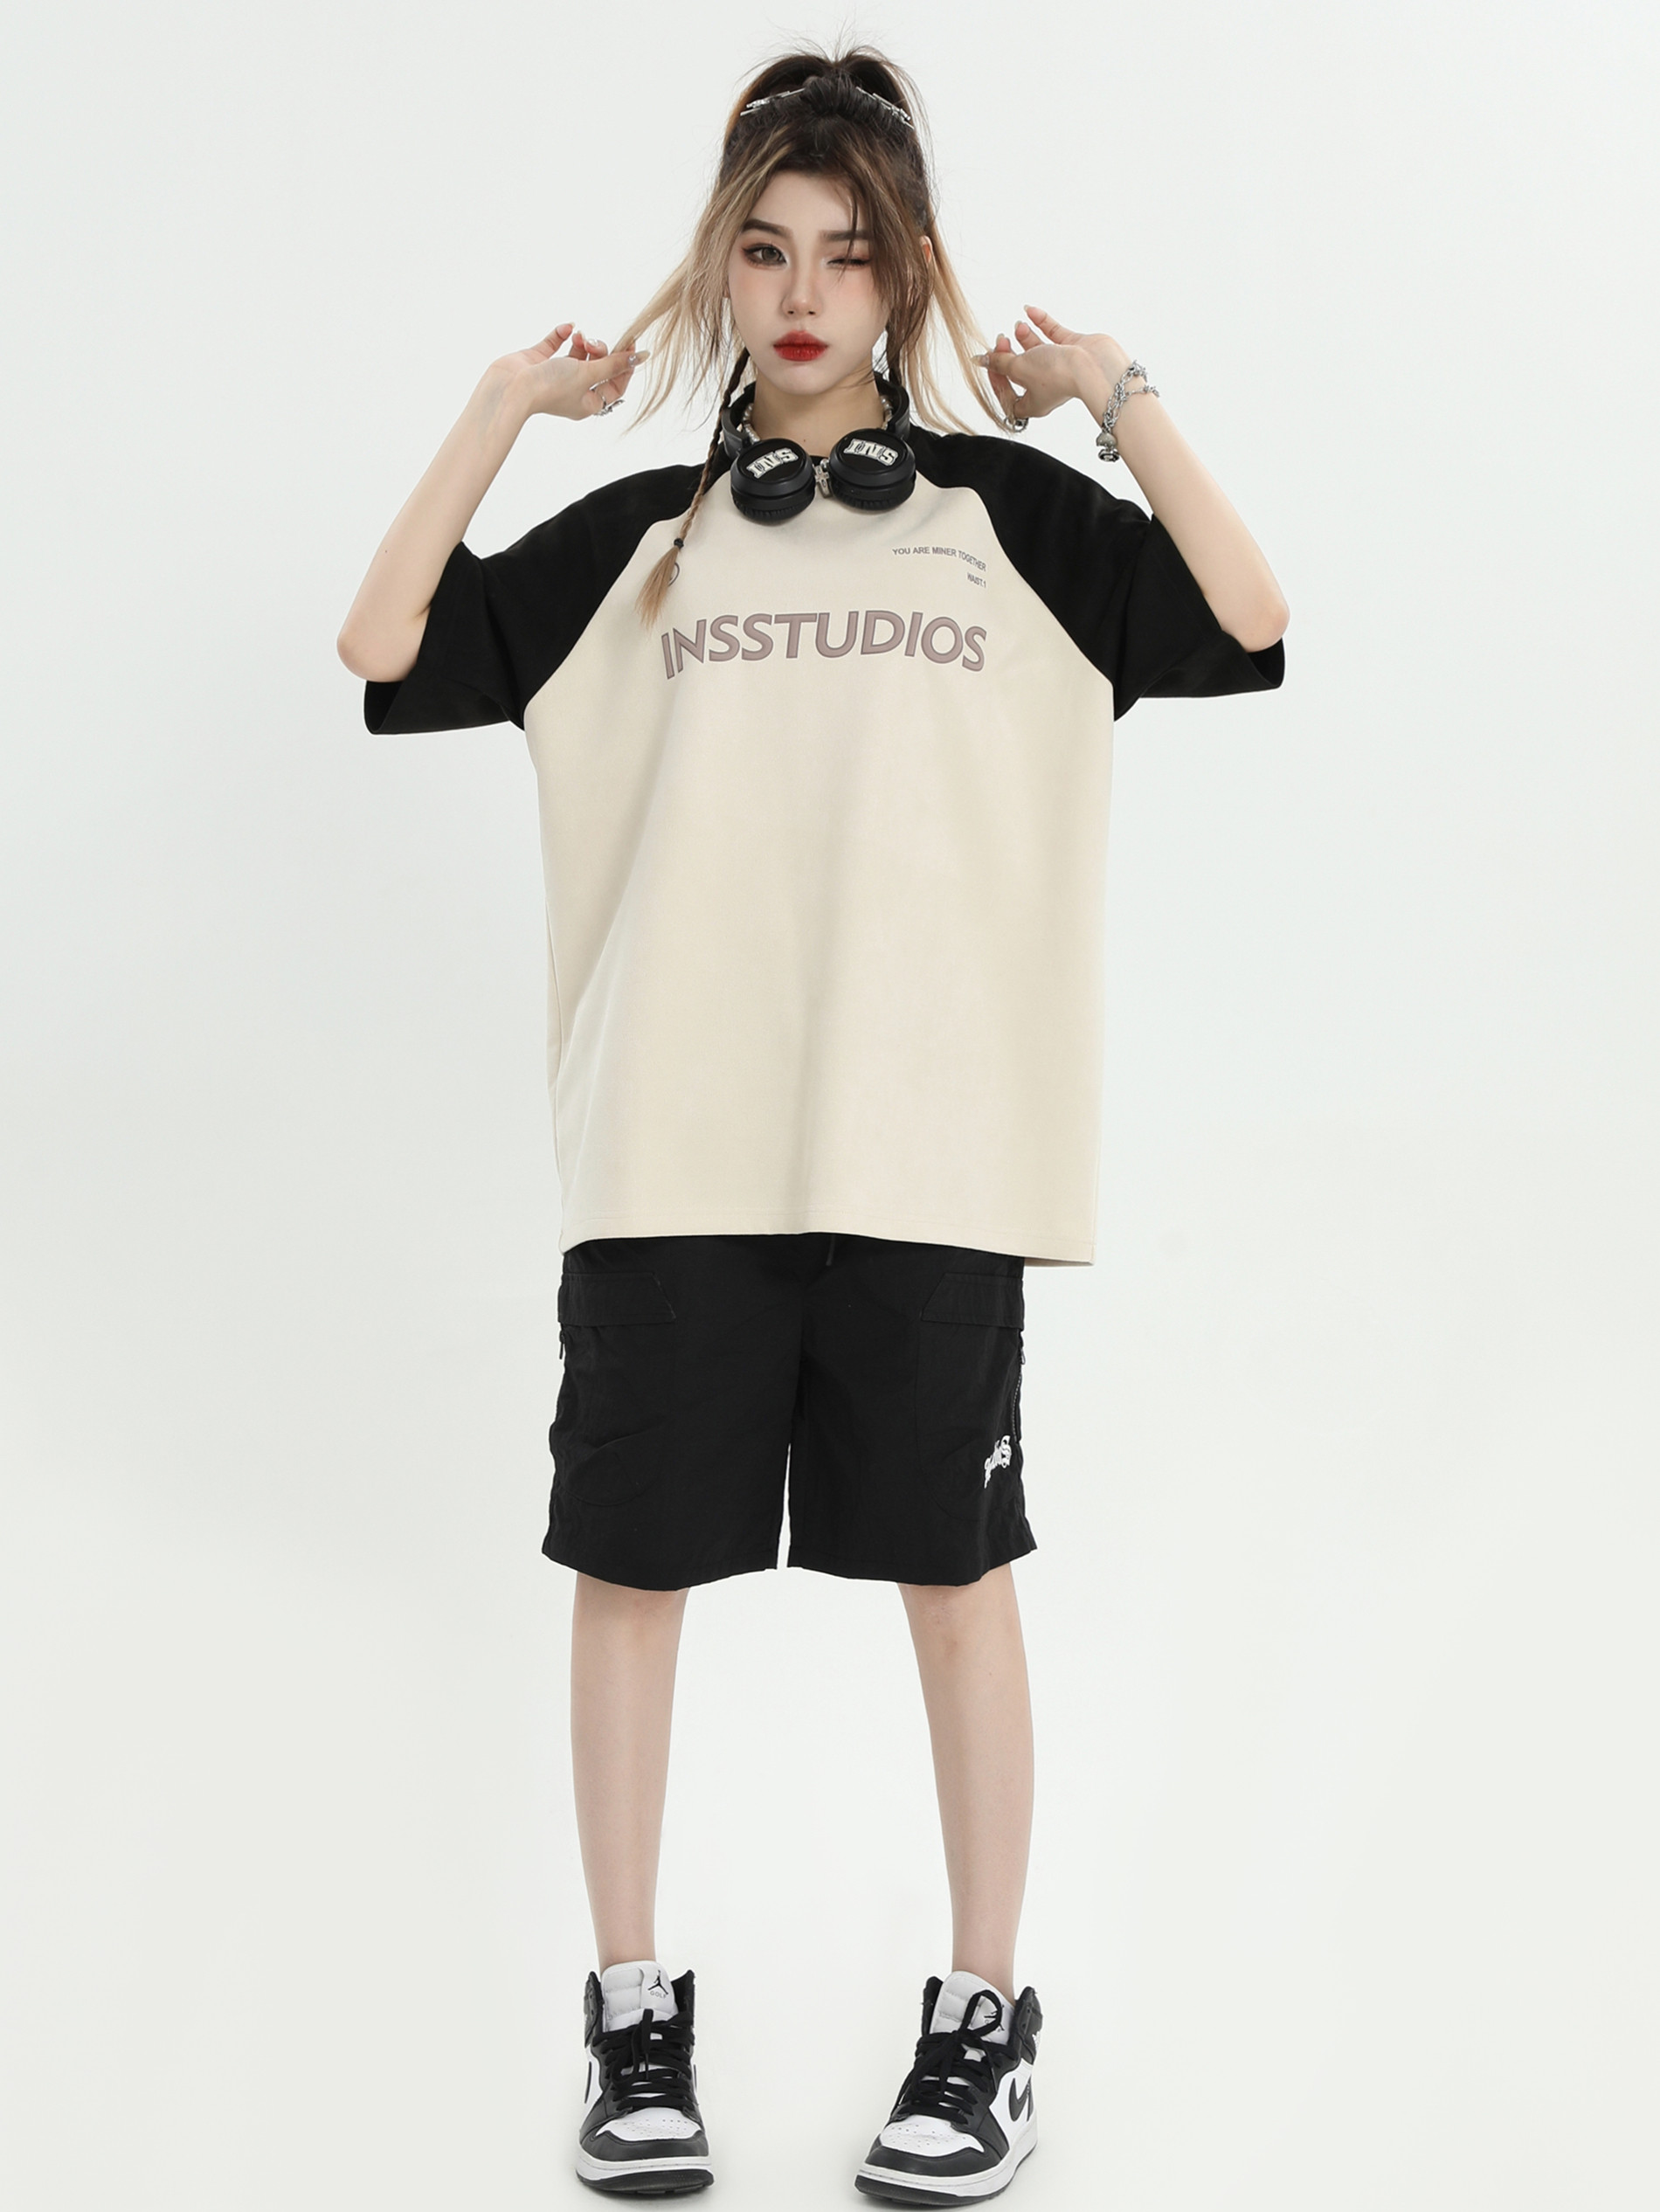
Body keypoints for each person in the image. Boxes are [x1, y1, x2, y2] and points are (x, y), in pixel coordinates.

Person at [337, 44, 1287, 2204]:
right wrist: (498, 413)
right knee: (630, 1573)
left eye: (844, 255)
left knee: (954, 1575)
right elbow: (383, 638)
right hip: (671, 1152)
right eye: (762, 250)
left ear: (904, 275)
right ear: (717, 268)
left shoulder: (1010, 524)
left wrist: (1114, 396)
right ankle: (630, 2016)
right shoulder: (640, 545)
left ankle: (982, 2017)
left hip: (923, 1151)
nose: (798, 294)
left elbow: (1245, 615)